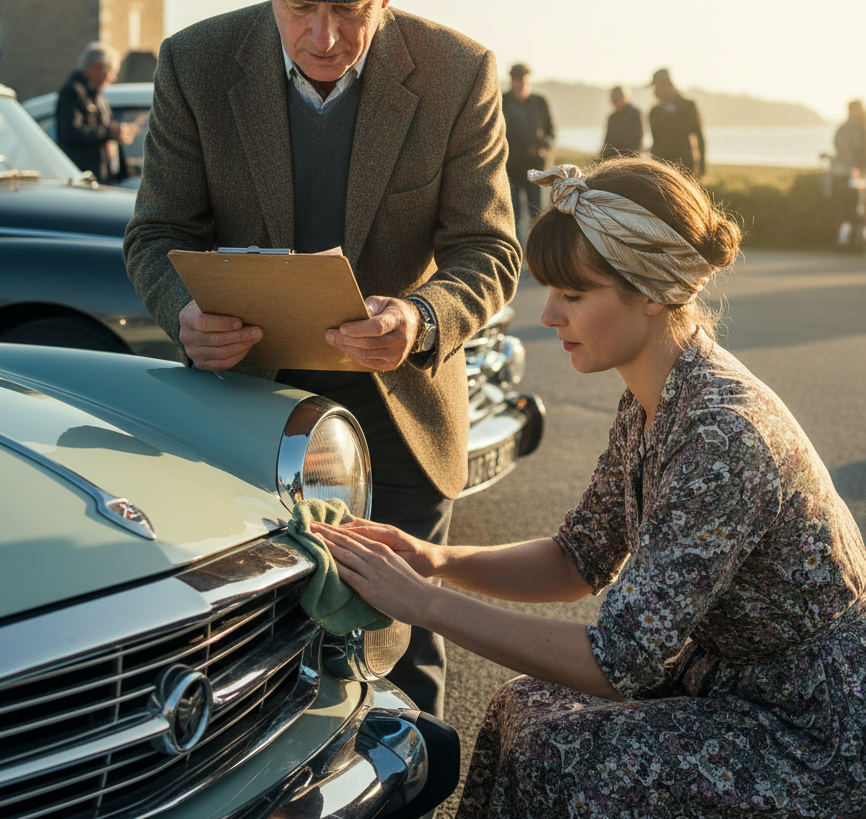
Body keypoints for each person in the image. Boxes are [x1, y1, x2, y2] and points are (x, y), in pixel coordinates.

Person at [313, 156, 866, 818]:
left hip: (810, 729)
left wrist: (421, 603)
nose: (546, 315)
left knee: (565, 754)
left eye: (573, 294)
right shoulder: (654, 396)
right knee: (521, 706)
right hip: (731, 685)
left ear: (654, 289)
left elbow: (618, 663)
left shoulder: (724, 432)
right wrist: (433, 561)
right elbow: (577, 558)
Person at [123, 0, 521, 719]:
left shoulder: (459, 73)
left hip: (403, 405)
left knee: (401, 657)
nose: (326, 36)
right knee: (241, 649)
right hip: (241, 401)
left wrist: (419, 318)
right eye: (300, 8)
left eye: (351, 10)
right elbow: (155, 235)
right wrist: (183, 316)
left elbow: (489, 250)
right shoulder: (194, 64)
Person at [56, 42, 136, 183]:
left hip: (103, 175)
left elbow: (105, 127)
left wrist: (120, 132)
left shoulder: (97, 95)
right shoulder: (73, 92)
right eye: (111, 71)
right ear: (97, 66)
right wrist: (109, 132)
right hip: (87, 176)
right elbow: (70, 133)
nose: (113, 78)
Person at [502, 62, 555, 232]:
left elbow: (551, 133)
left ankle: (538, 254)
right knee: (511, 217)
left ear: (529, 81)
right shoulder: (502, 101)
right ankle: (516, 256)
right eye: (516, 80)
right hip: (510, 169)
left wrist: (541, 147)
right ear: (511, 81)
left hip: (536, 169)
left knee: (538, 215)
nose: (520, 84)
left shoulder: (540, 102)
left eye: (523, 80)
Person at [648, 67, 706, 178]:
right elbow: (656, 141)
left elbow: (698, 136)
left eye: (657, 86)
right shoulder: (654, 112)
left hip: (684, 166)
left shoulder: (687, 106)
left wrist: (702, 168)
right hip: (661, 168)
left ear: (667, 84)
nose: (655, 90)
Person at [832, 98, 866, 249]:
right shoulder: (844, 129)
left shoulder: (862, 127)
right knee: (848, 209)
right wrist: (853, 168)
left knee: (861, 210)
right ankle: (844, 241)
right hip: (848, 176)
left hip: (862, 174)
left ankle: (860, 240)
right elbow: (843, 149)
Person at [600, 84, 643, 158]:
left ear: (624, 97)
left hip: (629, 158)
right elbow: (607, 140)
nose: (615, 100)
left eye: (617, 97)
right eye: (613, 98)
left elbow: (638, 138)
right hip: (613, 157)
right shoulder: (612, 117)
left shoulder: (634, 114)